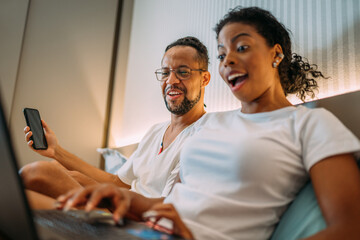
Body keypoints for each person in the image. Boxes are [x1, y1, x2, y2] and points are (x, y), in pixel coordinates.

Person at [56, 7, 360, 240]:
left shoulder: (310, 124)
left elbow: (349, 228)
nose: (227, 60)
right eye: (221, 53)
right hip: (147, 230)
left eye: (240, 47)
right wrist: (122, 198)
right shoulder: (210, 126)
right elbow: (174, 204)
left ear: (275, 54)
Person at [20, 36, 211, 200]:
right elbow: (117, 182)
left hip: (135, 216)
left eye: (183, 72)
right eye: (165, 72)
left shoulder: (204, 137)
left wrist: (93, 186)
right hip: (120, 202)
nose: (171, 81)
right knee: (56, 170)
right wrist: (56, 151)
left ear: (205, 79)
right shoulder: (155, 131)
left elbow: (168, 205)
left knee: (40, 173)